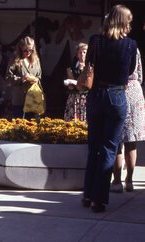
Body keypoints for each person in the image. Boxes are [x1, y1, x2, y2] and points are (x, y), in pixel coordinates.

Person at [82, 5, 138, 213]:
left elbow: (89, 64)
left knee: (94, 146)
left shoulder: (95, 41)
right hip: (116, 95)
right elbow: (130, 70)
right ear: (124, 22)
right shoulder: (131, 45)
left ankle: (88, 194)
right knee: (108, 148)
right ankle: (98, 199)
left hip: (96, 95)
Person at [111, 49, 145, 193]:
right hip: (134, 91)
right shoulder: (134, 48)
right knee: (131, 141)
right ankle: (129, 181)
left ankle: (117, 182)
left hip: (117, 90)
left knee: (116, 141)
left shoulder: (110, 48)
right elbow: (140, 75)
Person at [6, 36, 42, 119]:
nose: (28, 52)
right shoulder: (15, 59)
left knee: (32, 126)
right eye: (26, 50)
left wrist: (36, 80)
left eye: (31, 50)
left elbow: (39, 77)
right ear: (21, 48)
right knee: (19, 126)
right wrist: (21, 79)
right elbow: (8, 77)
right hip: (19, 99)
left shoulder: (36, 60)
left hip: (33, 98)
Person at [64, 43, 88, 122]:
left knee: (84, 118)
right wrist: (69, 84)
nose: (82, 54)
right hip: (74, 96)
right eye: (80, 52)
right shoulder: (73, 66)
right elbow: (69, 77)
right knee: (72, 119)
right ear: (77, 54)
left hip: (85, 96)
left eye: (84, 52)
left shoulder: (89, 67)